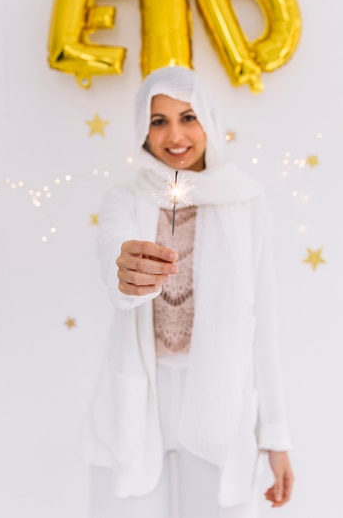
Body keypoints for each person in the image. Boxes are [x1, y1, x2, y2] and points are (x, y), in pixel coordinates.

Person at [85, 66, 294, 518]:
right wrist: (127, 270)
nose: (174, 134)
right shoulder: (126, 198)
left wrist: (275, 436)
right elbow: (114, 253)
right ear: (143, 128)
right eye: (158, 120)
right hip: (141, 397)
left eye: (188, 117)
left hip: (218, 394)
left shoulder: (246, 200)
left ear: (210, 122)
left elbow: (265, 325)